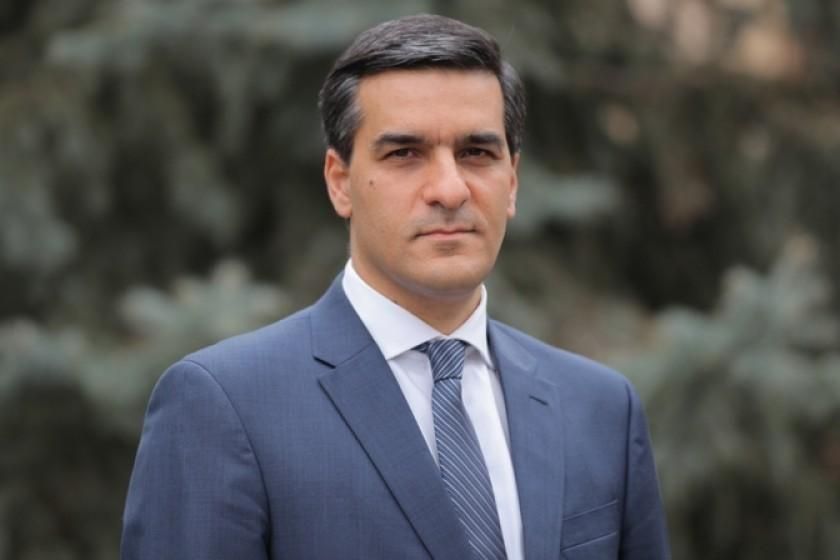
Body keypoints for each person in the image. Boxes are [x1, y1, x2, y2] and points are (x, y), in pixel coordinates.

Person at [121, 14, 670, 560]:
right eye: (404, 153)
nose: (450, 189)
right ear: (340, 182)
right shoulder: (224, 408)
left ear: (512, 183)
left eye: (476, 153)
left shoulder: (600, 410)